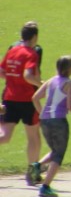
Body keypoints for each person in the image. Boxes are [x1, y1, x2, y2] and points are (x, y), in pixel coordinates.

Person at [28, 56, 71, 197]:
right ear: (69, 68)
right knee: (58, 155)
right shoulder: (70, 83)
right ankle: (45, 187)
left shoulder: (50, 81)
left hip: (44, 120)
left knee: (55, 150)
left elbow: (35, 98)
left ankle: (37, 166)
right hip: (59, 121)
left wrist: (42, 113)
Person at [1, 22, 42, 182]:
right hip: (26, 100)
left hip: (9, 98)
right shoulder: (31, 53)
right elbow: (27, 75)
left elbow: (1, 71)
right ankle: (32, 173)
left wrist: (12, 78)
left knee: (4, 136)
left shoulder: (12, 50)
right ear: (34, 37)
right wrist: (42, 84)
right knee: (33, 137)